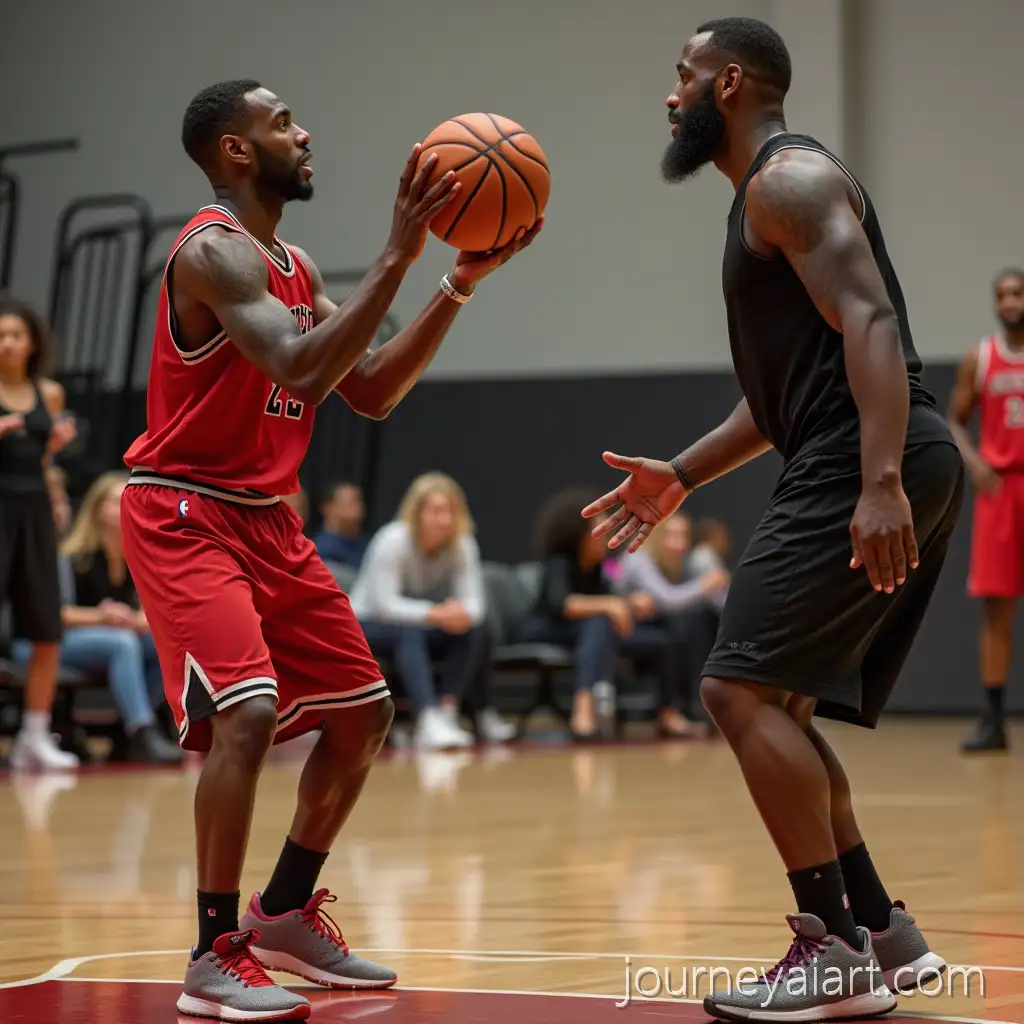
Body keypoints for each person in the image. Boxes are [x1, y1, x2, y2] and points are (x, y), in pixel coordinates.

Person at [118, 79, 541, 1022]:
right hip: (185, 510)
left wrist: (455, 280)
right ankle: (213, 952)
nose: (303, 132)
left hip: (266, 517)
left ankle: (281, 913)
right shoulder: (212, 252)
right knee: (250, 712)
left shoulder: (294, 267)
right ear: (235, 151)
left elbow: (372, 387)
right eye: (280, 124)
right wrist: (399, 251)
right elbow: (303, 369)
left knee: (363, 715)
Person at [582, 18, 959, 1021]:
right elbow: (783, 390)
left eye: (683, 76)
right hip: (863, 451)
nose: (671, 96)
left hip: (866, 456)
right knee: (772, 703)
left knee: (735, 691)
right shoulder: (768, 200)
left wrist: (876, 480)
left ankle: (831, 948)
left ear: (731, 82)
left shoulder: (787, 181)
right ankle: (877, 926)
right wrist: (682, 474)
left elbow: (871, 321)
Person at [13, 472, 184, 764]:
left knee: (166, 646)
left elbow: (152, 613)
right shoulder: (74, 556)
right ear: (97, 509)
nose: (125, 508)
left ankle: (123, 730)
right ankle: (142, 731)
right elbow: (55, 614)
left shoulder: (139, 556)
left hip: (109, 637)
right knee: (122, 643)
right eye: (116, 501)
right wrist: (102, 617)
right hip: (53, 641)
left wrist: (134, 621)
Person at [351, 472, 515, 748]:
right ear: (417, 513)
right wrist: (437, 613)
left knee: (476, 631)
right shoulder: (392, 540)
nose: (445, 519)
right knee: (409, 633)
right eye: (436, 511)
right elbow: (385, 606)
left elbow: (475, 605)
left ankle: (447, 711)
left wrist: (459, 615)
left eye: (451, 511)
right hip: (368, 622)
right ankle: (426, 717)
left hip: (422, 622)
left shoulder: (462, 543)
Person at [519, 488, 679, 740]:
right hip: (547, 629)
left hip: (589, 635)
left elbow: (611, 601)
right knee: (597, 620)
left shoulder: (596, 569)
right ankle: (583, 706)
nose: (607, 533)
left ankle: (668, 713)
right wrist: (610, 606)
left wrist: (628, 605)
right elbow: (563, 605)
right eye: (599, 526)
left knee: (659, 642)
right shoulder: (560, 563)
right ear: (580, 533)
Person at [0, 295, 79, 771]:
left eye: (15, 335)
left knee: (47, 629)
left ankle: (34, 735)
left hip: (34, 516)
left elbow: (42, 463)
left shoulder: (49, 394)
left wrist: (52, 448)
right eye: (0, 336)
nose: (7, 343)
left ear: (32, 343)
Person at [947, 268, 1024, 753]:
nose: (1010, 301)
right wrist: (974, 463)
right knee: (997, 610)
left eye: (1017, 293)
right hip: (1001, 489)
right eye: (1002, 294)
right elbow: (954, 420)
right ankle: (994, 720)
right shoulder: (980, 359)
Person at [614, 513, 729, 733]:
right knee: (681, 630)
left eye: (683, 536)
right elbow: (668, 600)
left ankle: (693, 703)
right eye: (672, 535)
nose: (679, 543)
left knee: (697, 622)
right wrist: (705, 584)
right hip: (619, 631)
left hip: (650, 629)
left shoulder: (671, 564)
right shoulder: (639, 558)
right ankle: (678, 709)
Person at [313, 481, 369, 569]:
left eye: (359, 502)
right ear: (328, 508)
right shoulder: (320, 550)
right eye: (351, 503)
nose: (358, 509)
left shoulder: (366, 544)